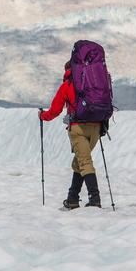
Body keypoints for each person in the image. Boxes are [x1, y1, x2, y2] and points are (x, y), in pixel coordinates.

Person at [39, 60, 102, 209]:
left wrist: (42, 116)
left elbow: (55, 110)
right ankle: (72, 198)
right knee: (79, 162)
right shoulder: (93, 83)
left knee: (84, 162)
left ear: (68, 69)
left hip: (78, 129)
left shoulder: (67, 85)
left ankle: (95, 198)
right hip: (96, 128)